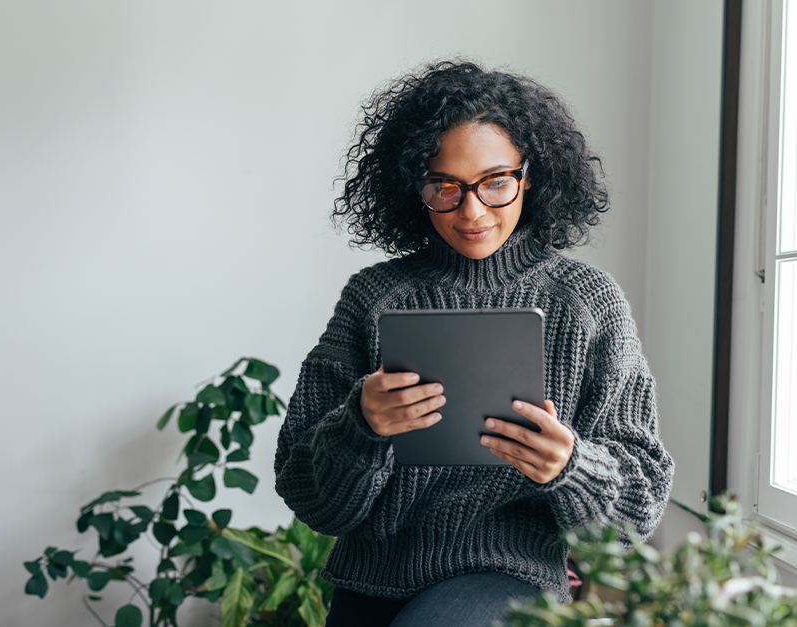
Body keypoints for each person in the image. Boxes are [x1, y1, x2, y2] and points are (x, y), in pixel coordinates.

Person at [273, 60, 674, 627]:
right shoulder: (373, 298)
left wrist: (571, 466)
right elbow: (311, 497)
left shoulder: (587, 302)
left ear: (530, 176)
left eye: (494, 182)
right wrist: (361, 426)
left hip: (509, 575)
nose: (472, 210)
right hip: (372, 576)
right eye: (445, 186)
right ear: (414, 185)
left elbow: (638, 508)